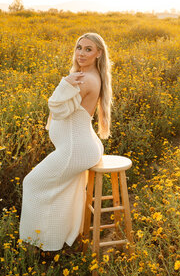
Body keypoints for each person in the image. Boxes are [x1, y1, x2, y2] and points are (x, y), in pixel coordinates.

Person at [19, 32, 112, 251]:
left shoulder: (85, 79)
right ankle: (53, 238)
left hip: (75, 149)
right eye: (79, 47)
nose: (81, 53)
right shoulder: (87, 75)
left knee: (31, 183)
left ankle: (36, 242)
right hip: (78, 146)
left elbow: (57, 108)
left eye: (88, 49)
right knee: (59, 189)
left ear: (98, 53)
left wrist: (64, 83)